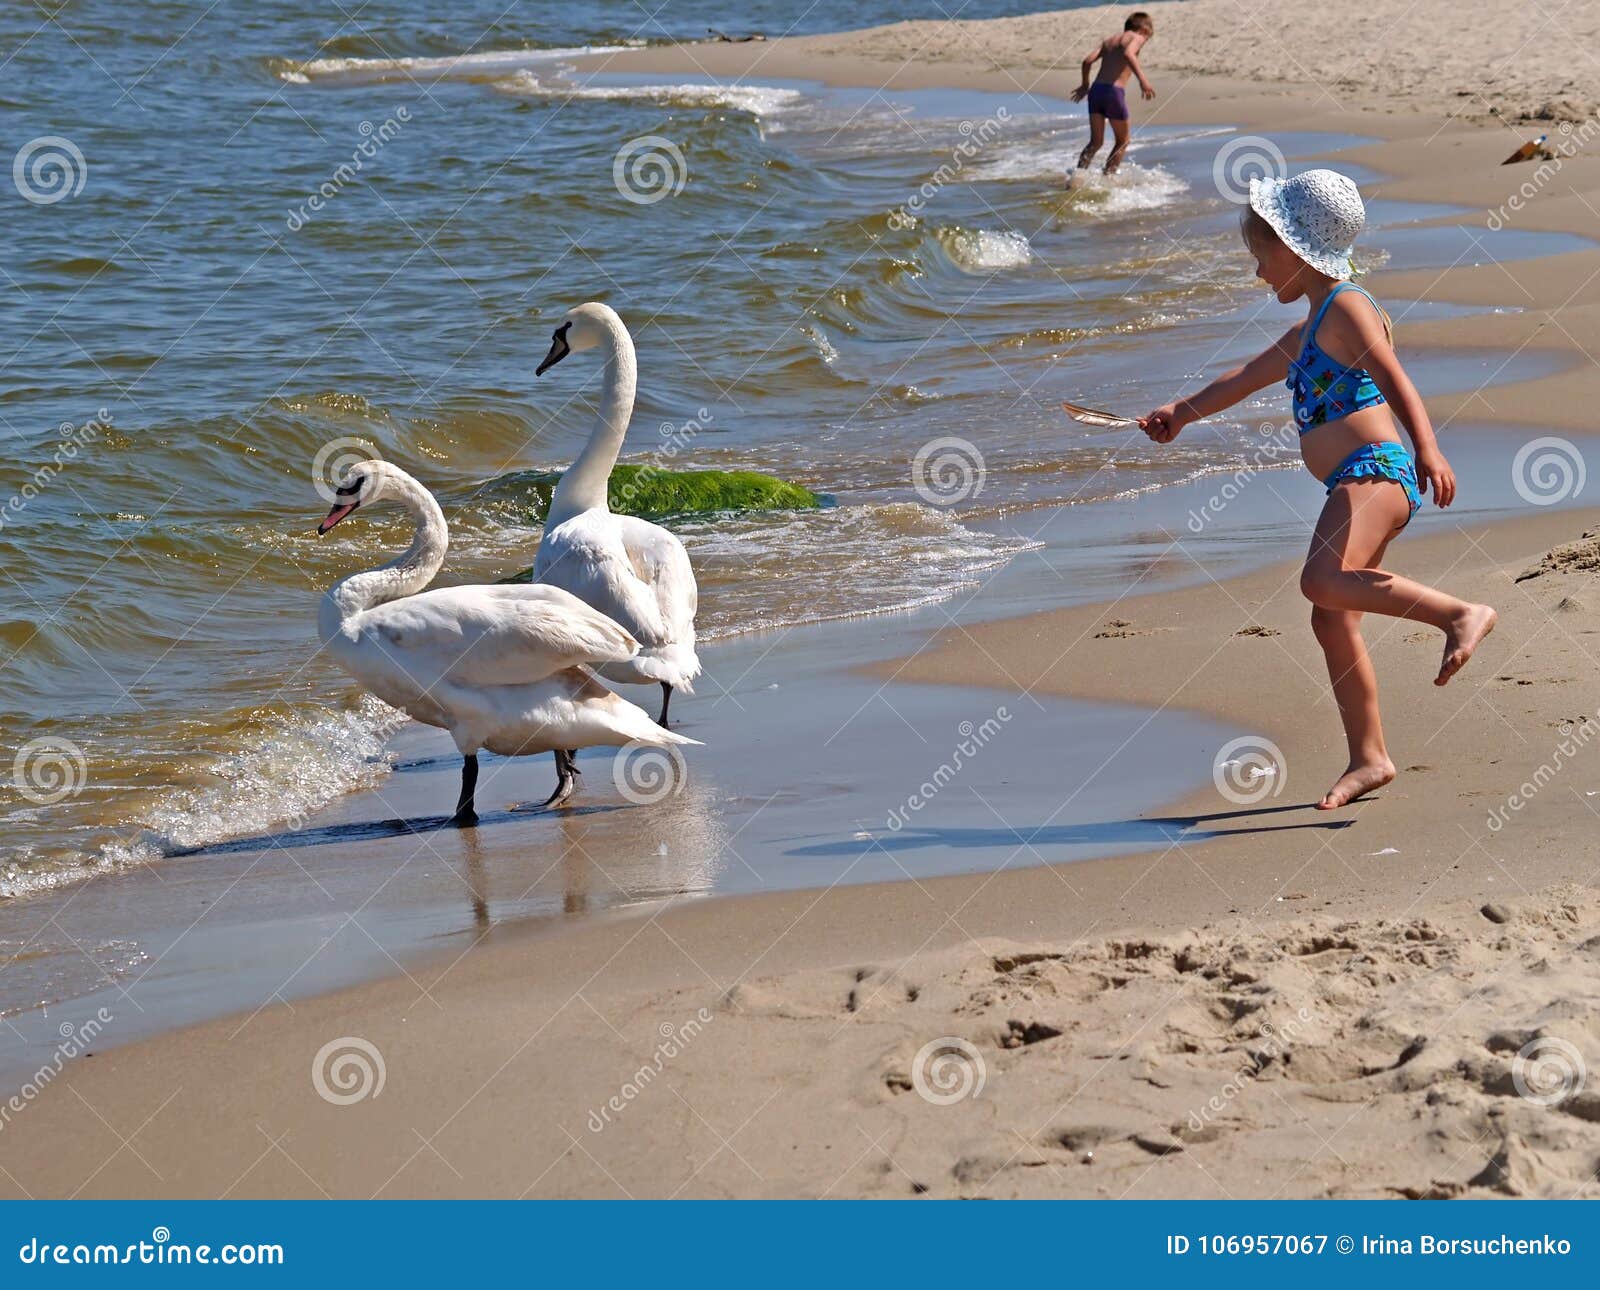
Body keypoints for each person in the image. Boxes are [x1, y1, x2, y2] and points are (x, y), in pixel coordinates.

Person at [1138, 169, 1497, 810]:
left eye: (1261, 258)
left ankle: (1459, 614)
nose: (1258, 274)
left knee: (1319, 579)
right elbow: (1243, 377)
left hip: (1377, 473)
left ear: (1296, 250)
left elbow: (1396, 379)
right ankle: (1370, 757)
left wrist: (1429, 448)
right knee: (1329, 614)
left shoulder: (1349, 307)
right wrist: (1182, 412)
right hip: (1353, 478)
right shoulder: (1309, 332)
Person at [1069, 11, 1156, 178]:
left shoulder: (1109, 40)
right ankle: (1107, 179)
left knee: (1095, 142)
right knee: (1123, 141)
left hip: (1096, 91)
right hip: (1113, 92)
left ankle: (1076, 178)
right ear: (1144, 29)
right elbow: (1128, 54)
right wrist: (1143, 81)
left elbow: (1087, 61)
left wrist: (1085, 84)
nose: (1146, 40)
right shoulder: (1137, 38)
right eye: (1149, 36)